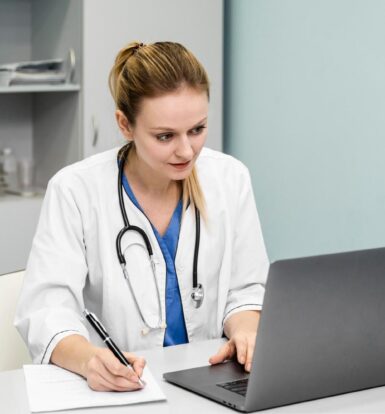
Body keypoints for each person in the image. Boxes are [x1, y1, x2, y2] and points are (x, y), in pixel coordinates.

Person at [15, 41, 269, 392]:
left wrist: (245, 331)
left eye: (197, 130)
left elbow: (245, 290)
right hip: (120, 392)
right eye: (165, 136)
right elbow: (47, 311)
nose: (186, 150)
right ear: (125, 124)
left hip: (210, 384)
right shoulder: (76, 190)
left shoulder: (230, 178)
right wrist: (90, 360)